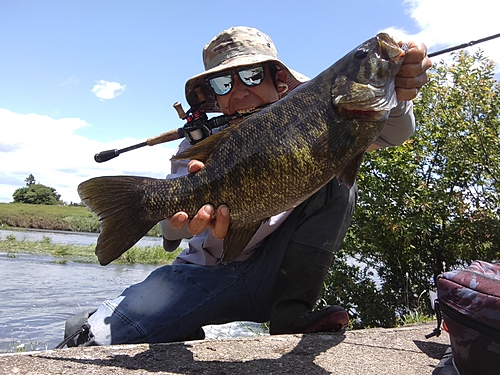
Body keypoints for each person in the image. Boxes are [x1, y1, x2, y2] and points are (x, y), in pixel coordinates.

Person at [59, 26, 431, 347]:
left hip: (281, 272)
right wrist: (188, 220)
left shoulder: (321, 115)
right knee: (102, 337)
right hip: (210, 270)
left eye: (252, 76)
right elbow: (168, 229)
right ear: (212, 95)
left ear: (276, 80)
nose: (239, 91)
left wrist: (397, 91)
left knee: (339, 185)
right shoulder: (196, 145)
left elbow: (395, 130)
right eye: (224, 82)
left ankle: (292, 314)